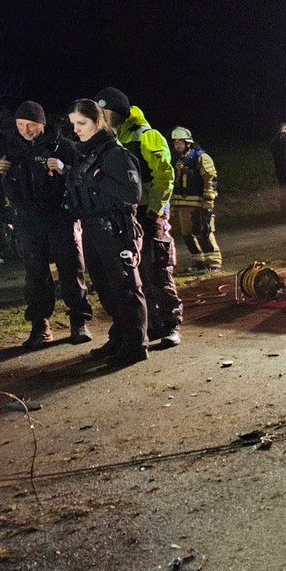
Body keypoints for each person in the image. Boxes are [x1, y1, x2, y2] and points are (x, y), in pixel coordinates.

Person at [48, 100, 147, 366]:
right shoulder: (87, 154)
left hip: (114, 228)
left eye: (81, 123)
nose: (76, 129)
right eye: (73, 124)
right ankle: (120, 336)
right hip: (92, 228)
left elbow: (132, 193)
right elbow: (84, 182)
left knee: (125, 287)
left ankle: (135, 345)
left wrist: (99, 177)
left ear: (98, 122)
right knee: (105, 288)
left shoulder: (114, 153)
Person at [0, 101, 92, 348]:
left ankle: (79, 321)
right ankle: (40, 324)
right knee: (35, 274)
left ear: (42, 124)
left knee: (71, 269)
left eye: (31, 125)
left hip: (60, 217)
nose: (25, 130)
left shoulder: (64, 147)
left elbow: (84, 178)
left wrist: (64, 168)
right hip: (27, 219)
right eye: (21, 125)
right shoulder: (10, 150)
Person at [95, 87, 182, 347]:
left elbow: (164, 176)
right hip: (125, 217)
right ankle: (152, 324)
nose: (103, 116)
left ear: (118, 112)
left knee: (156, 269)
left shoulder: (147, 136)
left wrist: (155, 212)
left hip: (147, 214)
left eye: (106, 111)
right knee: (132, 276)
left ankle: (171, 324)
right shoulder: (109, 140)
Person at [170, 127, 221, 271]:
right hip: (182, 204)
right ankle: (199, 262)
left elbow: (210, 179)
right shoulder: (176, 160)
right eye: (175, 142)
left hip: (199, 203)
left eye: (180, 142)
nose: (177, 145)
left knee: (204, 232)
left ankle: (214, 263)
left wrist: (208, 201)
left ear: (188, 143)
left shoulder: (201, 157)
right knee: (187, 234)